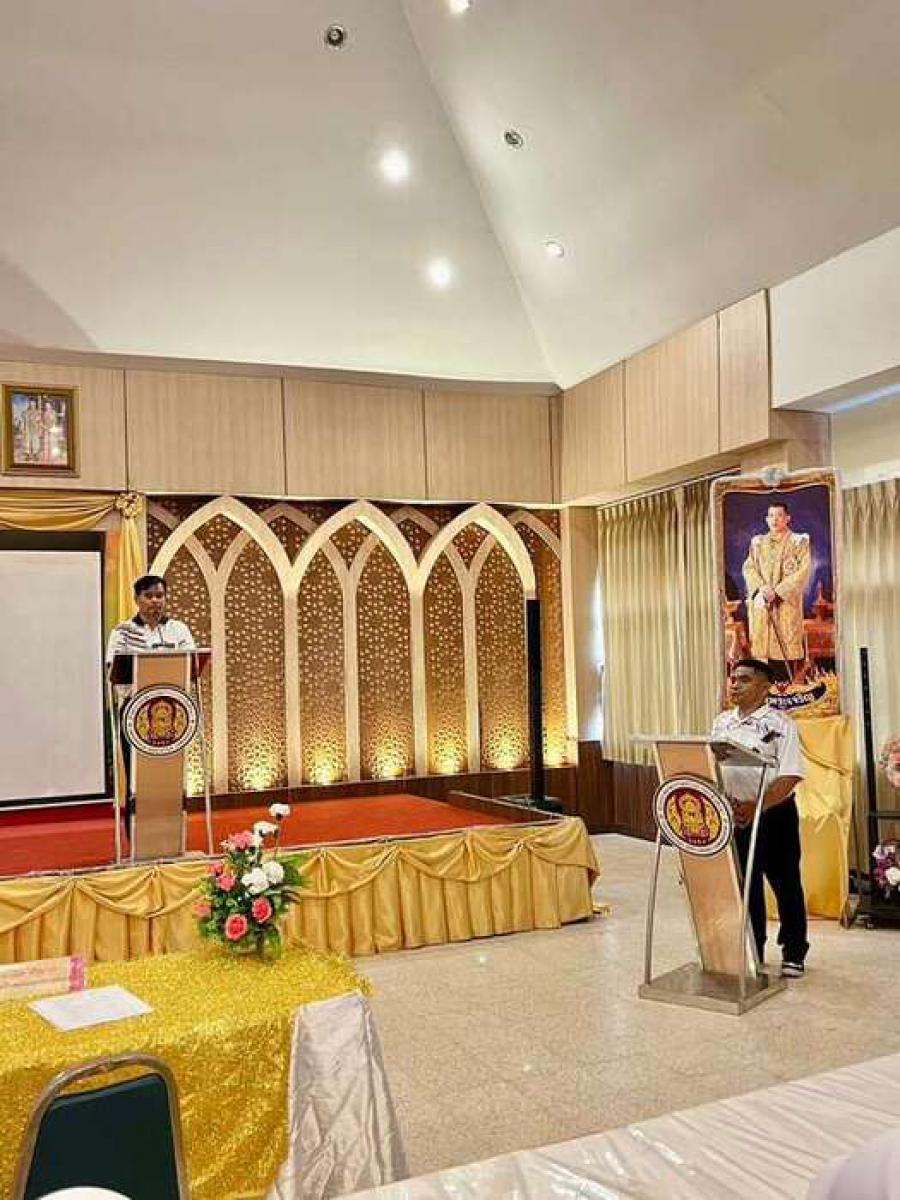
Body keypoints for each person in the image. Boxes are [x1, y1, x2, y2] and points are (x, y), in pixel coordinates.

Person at [711, 657, 808, 977]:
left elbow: (790, 775)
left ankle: (794, 951)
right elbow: (715, 767)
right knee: (746, 885)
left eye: (745, 679)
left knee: (785, 883)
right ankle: (754, 949)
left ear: (765, 687)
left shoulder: (781, 724)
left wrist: (758, 806)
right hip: (735, 815)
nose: (735, 685)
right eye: (733, 679)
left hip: (774, 814)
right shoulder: (722, 723)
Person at [742, 501, 811, 682]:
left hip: (785, 605)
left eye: (779, 515)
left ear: (787, 518)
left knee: (784, 654)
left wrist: (778, 592)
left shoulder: (798, 541)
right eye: (771, 515)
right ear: (766, 519)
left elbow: (802, 571)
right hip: (763, 604)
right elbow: (749, 568)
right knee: (762, 657)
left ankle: (786, 689)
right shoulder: (758, 543)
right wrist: (761, 588)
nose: (775, 519)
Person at [105, 575, 195, 665]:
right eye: (148, 596)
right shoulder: (122, 631)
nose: (154, 600)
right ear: (136, 599)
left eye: (159, 596)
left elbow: (191, 663)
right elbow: (112, 666)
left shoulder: (179, 629)